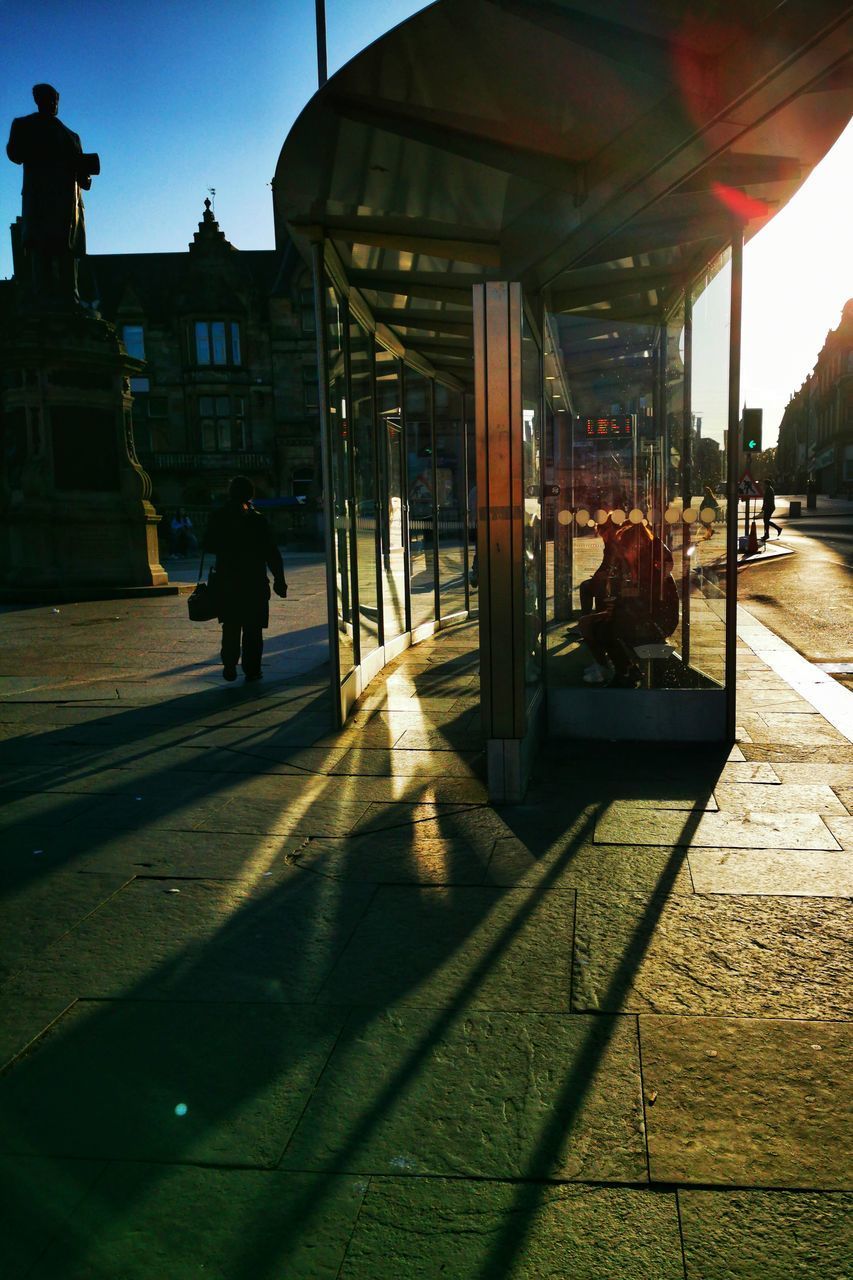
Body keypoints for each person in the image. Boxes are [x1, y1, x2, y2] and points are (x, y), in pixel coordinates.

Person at [6, 83, 99, 307]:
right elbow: (14, 153)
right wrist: (53, 156)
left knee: (68, 254)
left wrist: (86, 169)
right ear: (38, 100)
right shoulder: (24, 125)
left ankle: (71, 299)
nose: (54, 103)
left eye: (56, 99)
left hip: (69, 205)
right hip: (41, 198)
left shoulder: (72, 136)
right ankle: (42, 300)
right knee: (41, 248)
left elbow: (84, 182)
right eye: (49, 99)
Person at [203, 476, 287, 682]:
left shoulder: (218, 517)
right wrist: (279, 579)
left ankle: (229, 663)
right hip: (254, 582)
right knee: (253, 629)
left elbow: (207, 545)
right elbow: (272, 552)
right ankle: (252, 669)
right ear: (251, 494)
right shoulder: (258, 520)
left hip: (227, 581)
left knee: (230, 625)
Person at [579, 521, 679, 686]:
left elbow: (645, 601)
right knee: (591, 623)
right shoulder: (637, 563)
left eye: (625, 548)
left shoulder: (651, 567)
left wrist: (617, 608)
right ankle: (622, 669)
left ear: (635, 545)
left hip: (656, 622)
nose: (623, 553)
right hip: (641, 617)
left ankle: (624, 672)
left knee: (605, 629)